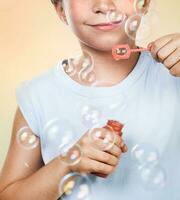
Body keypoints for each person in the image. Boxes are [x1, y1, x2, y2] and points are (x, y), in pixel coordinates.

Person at [0, 0, 180, 199]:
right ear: (61, 9)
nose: (103, 5)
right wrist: (68, 162)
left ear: (144, 3)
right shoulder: (38, 97)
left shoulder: (174, 76)